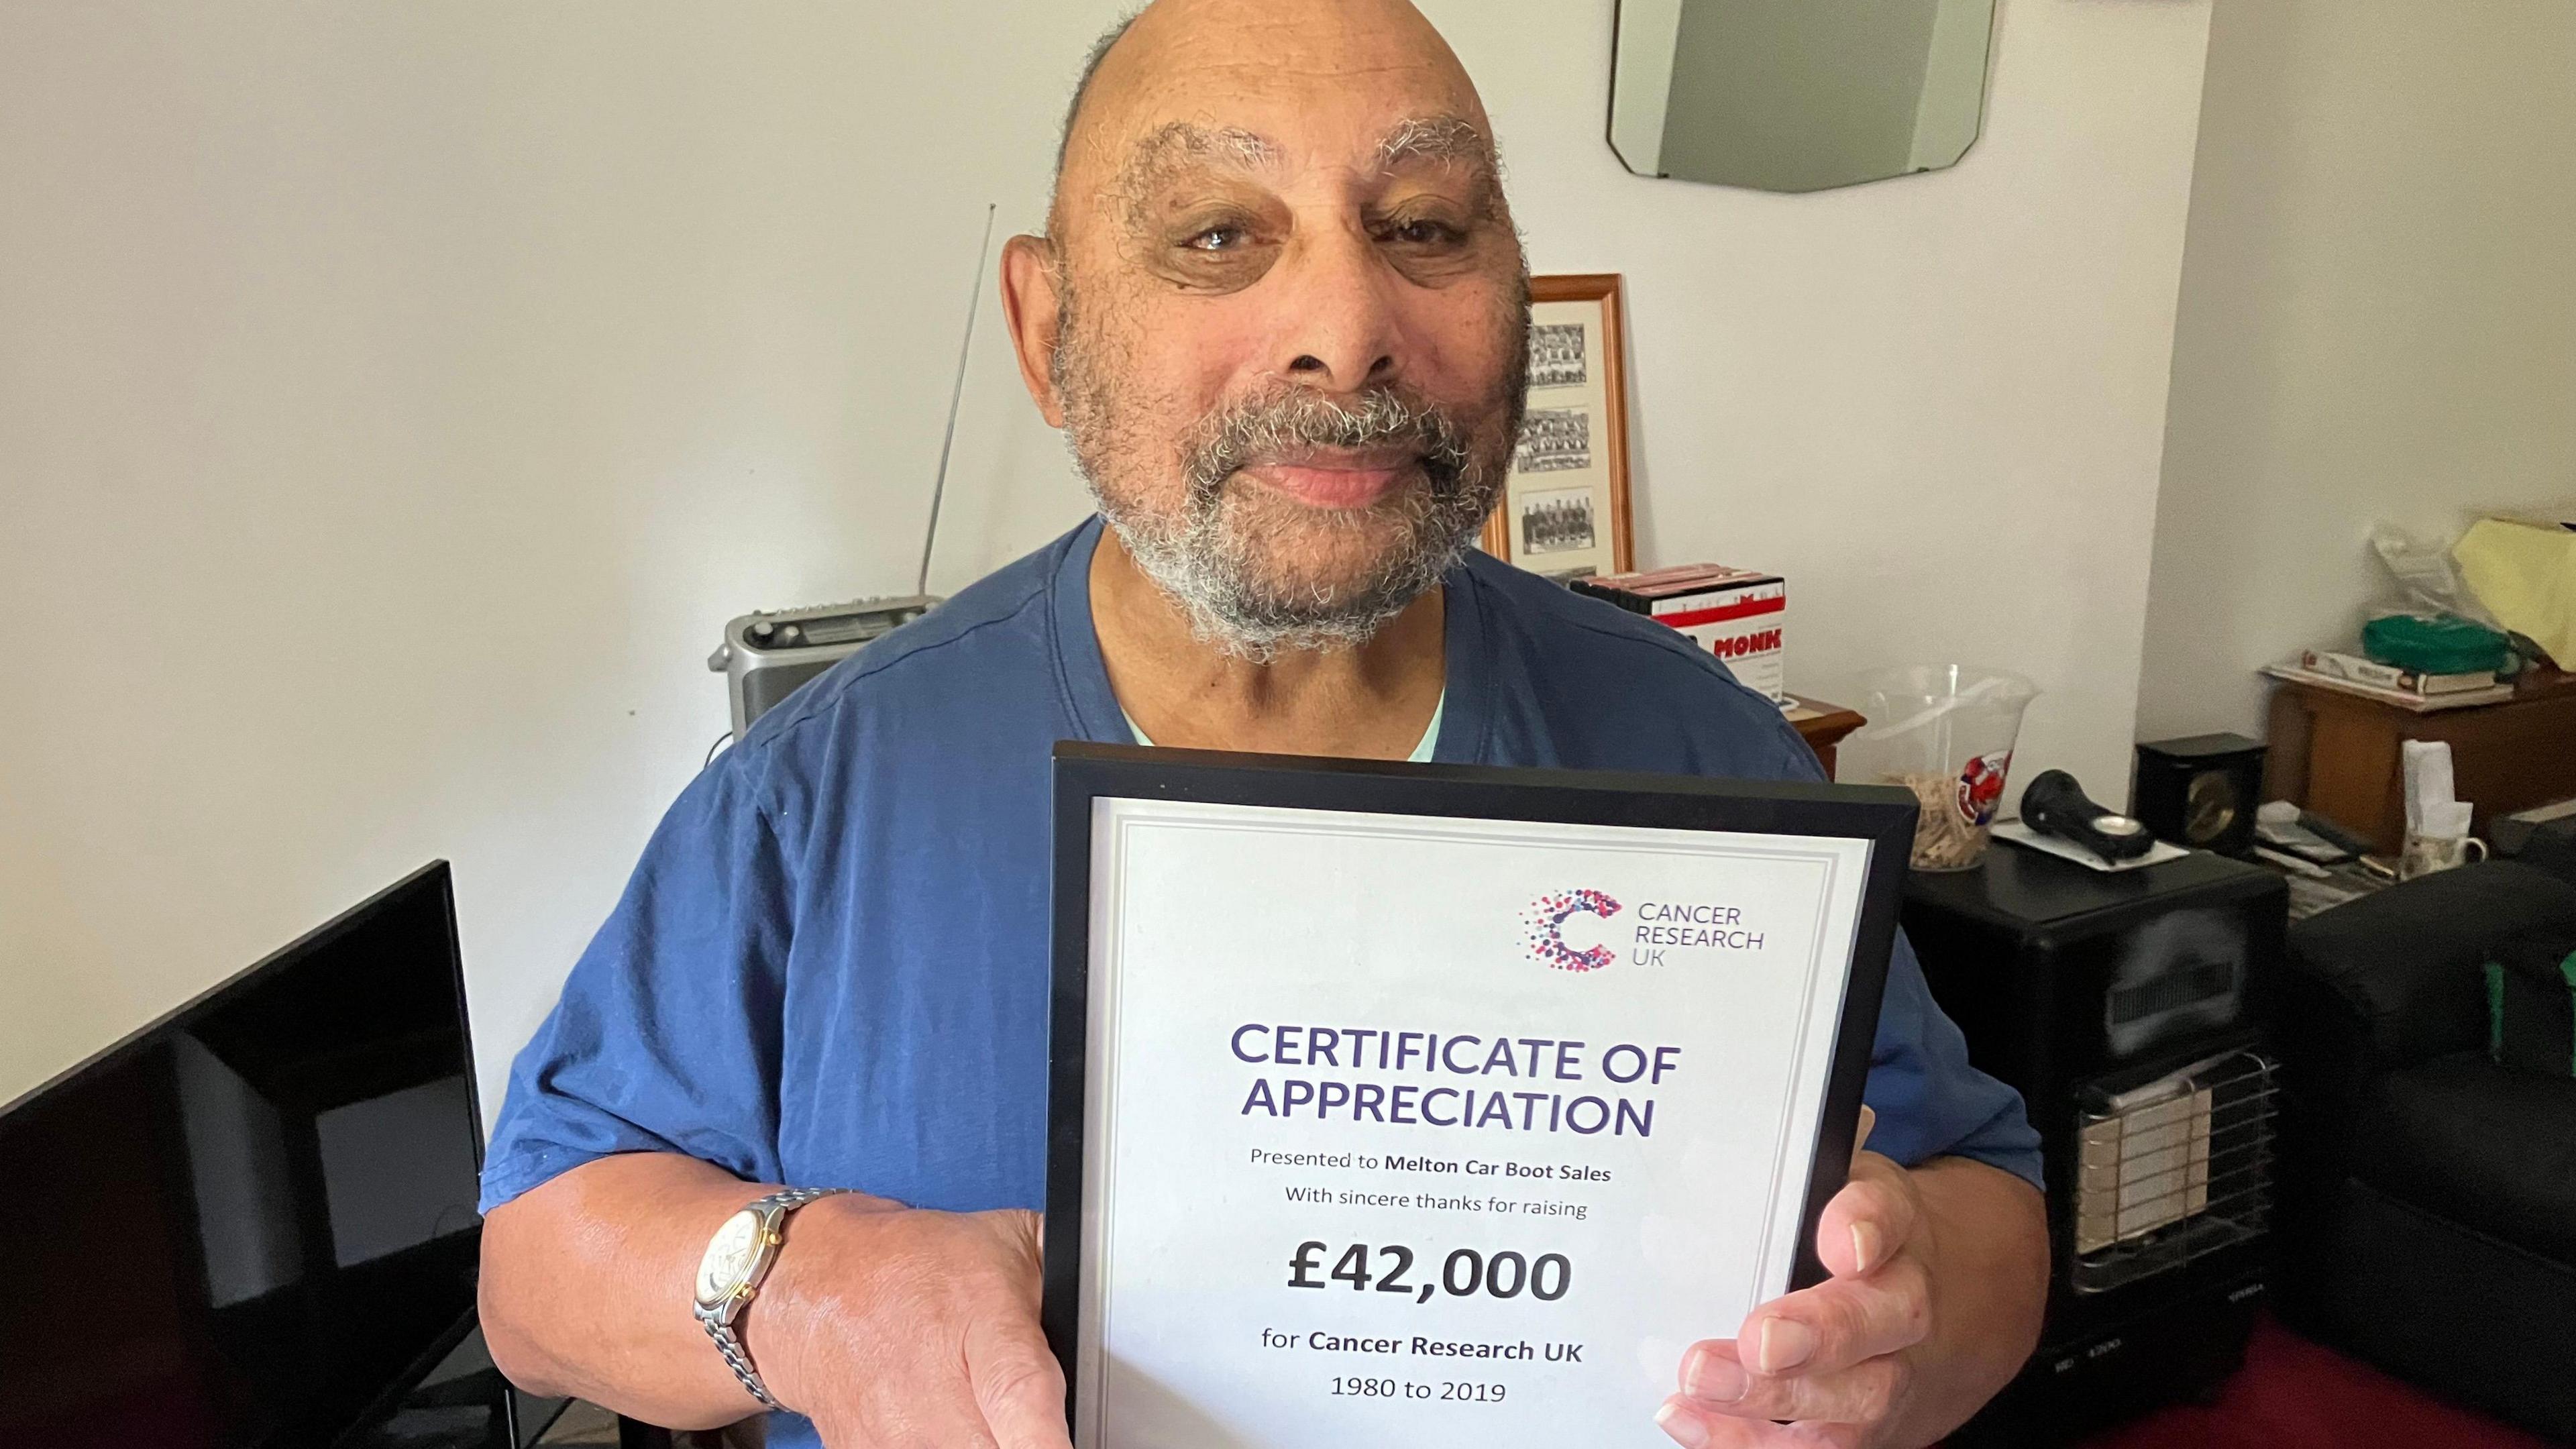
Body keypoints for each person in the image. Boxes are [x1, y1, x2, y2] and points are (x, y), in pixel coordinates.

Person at [476, 2, 2049, 1446]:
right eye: (1221, 236)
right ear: (1046, 330)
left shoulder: (1697, 750)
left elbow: (1989, 1209)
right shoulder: (826, 793)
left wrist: (1895, 1334)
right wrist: (807, 1293)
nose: (1347, 328)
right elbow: (536, 1271)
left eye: (1424, 226)